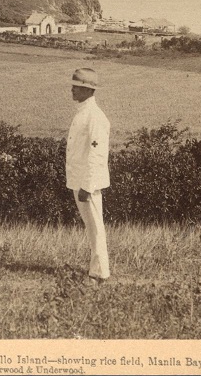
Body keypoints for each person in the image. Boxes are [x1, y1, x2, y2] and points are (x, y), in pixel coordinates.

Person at [66, 68, 110, 285]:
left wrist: (88, 185)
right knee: (91, 225)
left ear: (86, 89)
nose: (72, 89)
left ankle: (99, 273)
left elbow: (97, 153)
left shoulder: (95, 117)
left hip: (87, 182)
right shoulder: (83, 112)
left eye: (76, 86)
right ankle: (97, 270)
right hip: (79, 179)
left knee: (95, 226)